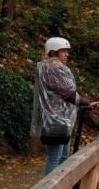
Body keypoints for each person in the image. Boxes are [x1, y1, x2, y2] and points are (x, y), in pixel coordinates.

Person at [32, 36, 87, 176]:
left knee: (63, 158)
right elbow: (68, 93)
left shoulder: (49, 68)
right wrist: (86, 102)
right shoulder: (53, 68)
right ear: (53, 52)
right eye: (63, 51)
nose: (67, 54)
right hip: (55, 121)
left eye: (67, 51)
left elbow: (68, 91)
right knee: (55, 158)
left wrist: (84, 101)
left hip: (61, 120)